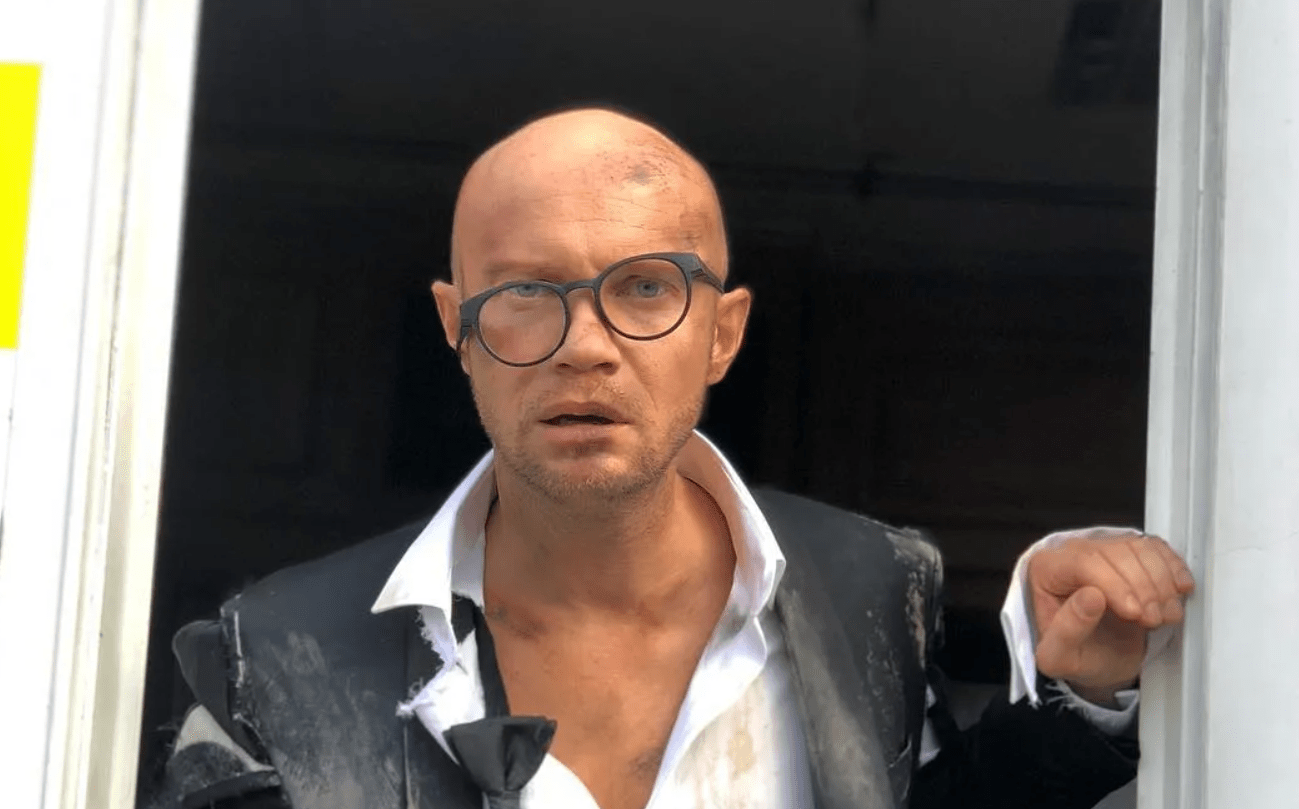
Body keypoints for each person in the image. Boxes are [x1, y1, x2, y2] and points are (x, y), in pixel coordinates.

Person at [151, 108, 1194, 809]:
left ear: (723, 333)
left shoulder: (874, 589)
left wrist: (1075, 688)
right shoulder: (275, 657)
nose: (584, 345)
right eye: (525, 292)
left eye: (646, 287)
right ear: (455, 326)